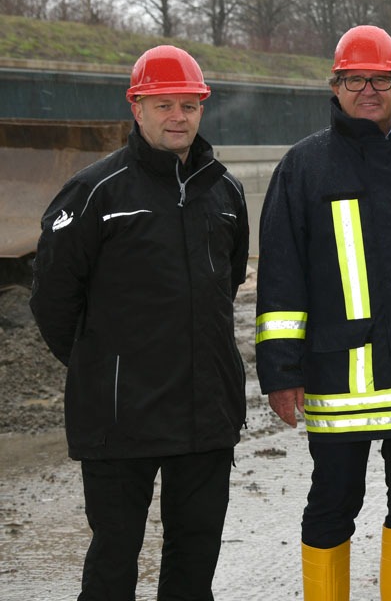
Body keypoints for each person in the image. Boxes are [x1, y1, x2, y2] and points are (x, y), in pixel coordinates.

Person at [28, 45, 251, 601]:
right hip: (120, 418)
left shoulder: (225, 193)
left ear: (202, 108)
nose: (178, 116)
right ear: (137, 107)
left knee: (194, 563)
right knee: (113, 564)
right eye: (163, 105)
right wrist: (106, 366)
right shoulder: (94, 193)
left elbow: (227, 286)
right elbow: (53, 300)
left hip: (206, 416)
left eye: (189, 104)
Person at [254, 24, 391, 601]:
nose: (367, 90)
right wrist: (280, 374)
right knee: (332, 505)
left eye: (380, 80)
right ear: (336, 86)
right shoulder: (304, 166)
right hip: (338, 380)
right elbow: (281, 279)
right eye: (354, 80)